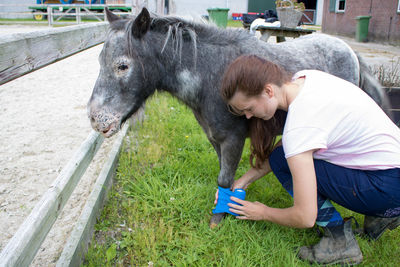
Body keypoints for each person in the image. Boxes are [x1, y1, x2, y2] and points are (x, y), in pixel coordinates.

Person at [219, 54, 400, 265]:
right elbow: (290, 144)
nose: (248, 117)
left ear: (268, 91)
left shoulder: (300, 125)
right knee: (281, 156)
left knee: (281, 161)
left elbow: (305, 216)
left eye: (249, 109)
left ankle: (340, 242)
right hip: (392, 170)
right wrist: (244, 181)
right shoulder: (307, 79)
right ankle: (384, 214)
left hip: (388, 187)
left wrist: (262, 212)